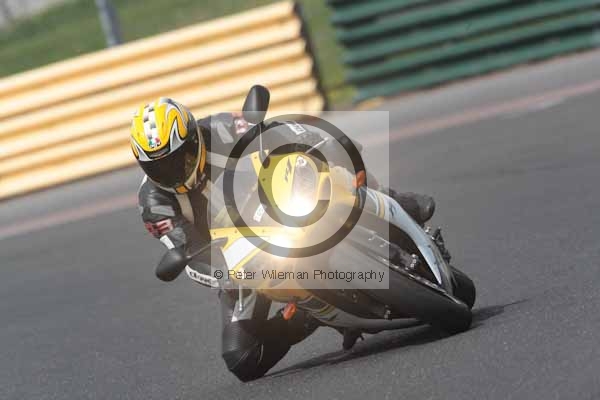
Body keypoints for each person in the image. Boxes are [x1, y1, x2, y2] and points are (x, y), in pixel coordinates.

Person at [131, 97, 435, 381]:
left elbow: (276, 131)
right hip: (241, 257)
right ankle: (310, 314)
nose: (171, 171)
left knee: (337, 161)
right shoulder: (154, 205)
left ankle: (395, 201)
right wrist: (230, 276)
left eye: (178, 158)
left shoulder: (222, 128)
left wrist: (321, 144)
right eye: (158, 167)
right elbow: (191, 255)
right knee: (242, 358)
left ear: (194, 139)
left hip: (278, 198)